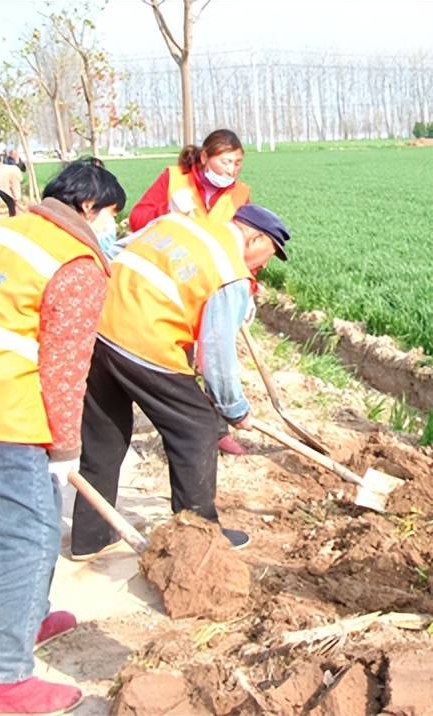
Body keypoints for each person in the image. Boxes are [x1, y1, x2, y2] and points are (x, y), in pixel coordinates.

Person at [0, 159, 125, 715]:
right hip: (3, 419)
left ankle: (31, 616)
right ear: (90, 207)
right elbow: (65, 369)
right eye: (111, 215)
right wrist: (67, 451)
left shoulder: (3, 232)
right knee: (29, 540)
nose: (111, 228)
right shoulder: (75, 263)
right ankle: (4, 682)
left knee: (34, 517)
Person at [69, 204, 291, 560]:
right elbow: (216, 357)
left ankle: (91, 538)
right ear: (255, 238)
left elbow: (113, 253)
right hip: (145, 342)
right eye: (268, 256)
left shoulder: (176, 224)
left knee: (105, 435)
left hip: (100, 327)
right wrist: (234, 408)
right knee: (198, 428)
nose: (263, 266)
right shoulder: (228, 272)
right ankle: (198, 536)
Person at [128, 128, 252, 456]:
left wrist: (247, 288)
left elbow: (245, 244)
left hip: (212, 290)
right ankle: (189, 429)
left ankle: (216, 428)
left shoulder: (240, 194)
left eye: (238, 163)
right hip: (172, 286)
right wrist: (168, 213)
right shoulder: (173, 180)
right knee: (179, 361)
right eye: (226, 161)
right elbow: (136, 220)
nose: (232, 169)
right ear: (204, 158)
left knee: (214, 356)